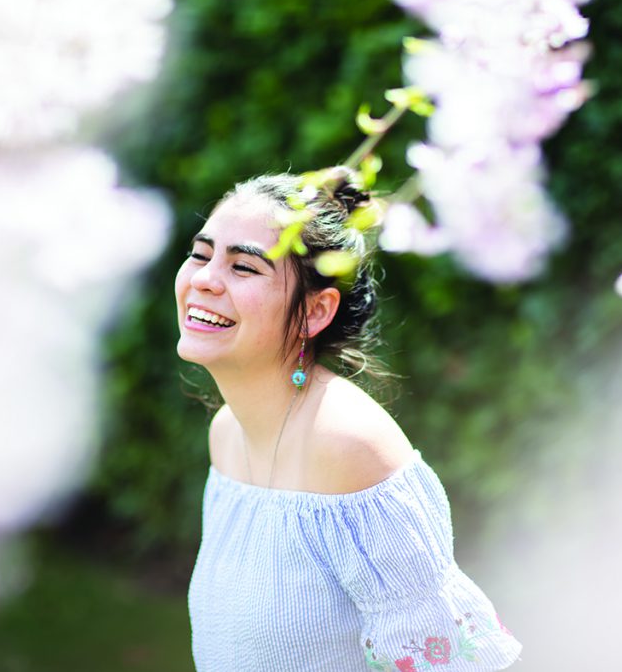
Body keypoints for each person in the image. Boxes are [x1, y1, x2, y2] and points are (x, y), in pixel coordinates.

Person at [175, 168, 523, 670]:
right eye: (202, 254)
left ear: (316, 311)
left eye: (244, 267)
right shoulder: (227, 433)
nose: (204, 280)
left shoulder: (351, 448)